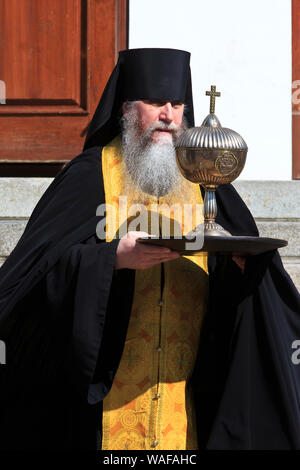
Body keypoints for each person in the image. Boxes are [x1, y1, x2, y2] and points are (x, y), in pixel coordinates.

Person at [0, 48, 300, 451]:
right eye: (156, 103)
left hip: (186, 399)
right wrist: (112, 260)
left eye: (177, 104)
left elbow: (253, 284)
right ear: (126, 108)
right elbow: (29, 278)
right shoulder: (90, 176)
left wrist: (242, 264)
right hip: (102, 407)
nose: (169, 116)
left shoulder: (205, 177)